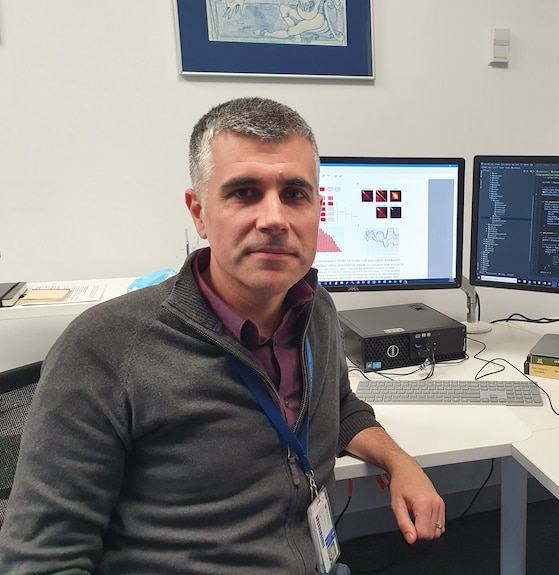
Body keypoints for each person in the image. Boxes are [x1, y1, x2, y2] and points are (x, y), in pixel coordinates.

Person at [0, 97, 445, 574]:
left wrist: (401, 463)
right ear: (198, 213)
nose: (274, 218)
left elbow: (341, 410)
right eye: (244, 192)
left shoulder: (316, 311)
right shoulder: (104, 349)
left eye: (295, 193)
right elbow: (42, 558)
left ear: (318, 207)